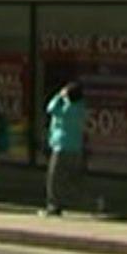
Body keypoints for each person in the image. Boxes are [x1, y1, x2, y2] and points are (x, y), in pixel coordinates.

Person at [41, 82, 86, 217]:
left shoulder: (67, 109)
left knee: (54, 178)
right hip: (75, 148)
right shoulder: (80, 108)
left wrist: (58, 96)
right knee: (70, 178)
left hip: (61, 146)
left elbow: (51, 109)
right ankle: (83, 200)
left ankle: (53, 205)